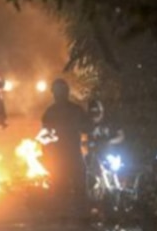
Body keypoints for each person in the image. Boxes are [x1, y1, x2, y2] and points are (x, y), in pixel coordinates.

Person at [39, 78, 90, 213]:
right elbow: (86, 128)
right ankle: (79, 214)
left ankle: (63, 215)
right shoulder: (75, 110)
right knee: (76, 185)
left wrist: (46, 153)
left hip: (62, 155)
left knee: (61, 187)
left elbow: (45, 136)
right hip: (70, 154)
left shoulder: (50, 112)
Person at [84, 98, 126, 193]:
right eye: (92, 114)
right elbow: (82, 138)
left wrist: (109, 142)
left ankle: (118, 194)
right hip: (94, 158)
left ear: (101, 112)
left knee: (116, 178)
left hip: (111, 156)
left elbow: (121, 136)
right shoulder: (87, 124)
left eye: (97, 114)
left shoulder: (111, 121)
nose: (95, 117)